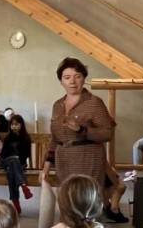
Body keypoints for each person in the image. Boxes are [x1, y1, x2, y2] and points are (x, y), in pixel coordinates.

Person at [41, 58, 115, 192]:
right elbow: (55, 140)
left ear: (84, 78)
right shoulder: (57, 105)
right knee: (66, 199)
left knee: (86, 199)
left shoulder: (94, 103)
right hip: (63, 162)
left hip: (88, 161)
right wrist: (46, 168)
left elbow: (108, 134)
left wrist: (81, 130)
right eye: (67, 77)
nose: (72, 82)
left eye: (77, 76)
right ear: (61, 81)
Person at [0, 113, 33, 215]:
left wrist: (17, 159)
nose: (14, 126)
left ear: (21, 125)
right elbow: (3, 155)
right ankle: (23, 186)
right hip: (7, 162)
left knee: (11, 172)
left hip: (20, 164)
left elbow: (26, 155)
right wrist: (13, 158)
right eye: (12, 124)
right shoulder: (8, 138)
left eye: (16, 124)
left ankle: (16, 205)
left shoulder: (26, 138)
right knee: (13, 161)